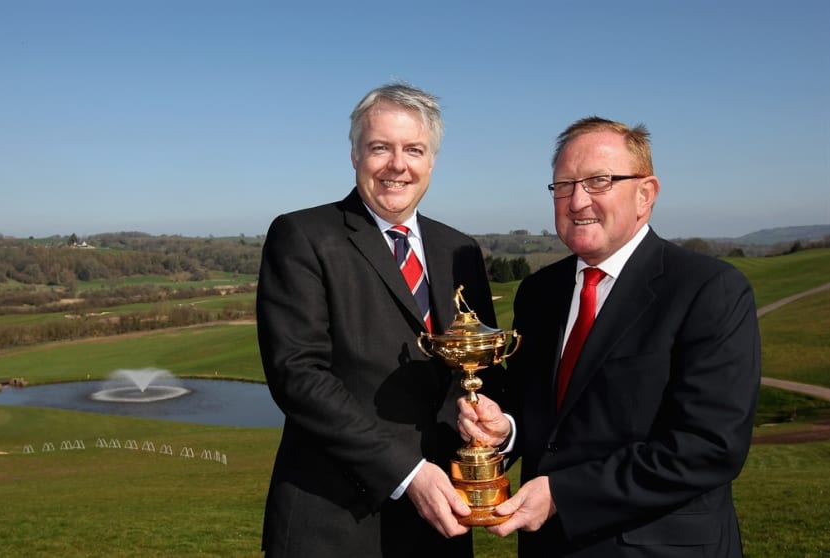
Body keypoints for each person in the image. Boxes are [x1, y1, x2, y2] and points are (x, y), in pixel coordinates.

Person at [459, 116, 761, 557]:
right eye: (563, 184)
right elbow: (542, 413)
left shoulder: (708, 289)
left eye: (599, 181)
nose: (577, 200)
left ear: (646, 193)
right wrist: (504, 429)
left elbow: (709, 446)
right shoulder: (539, 293)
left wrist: (563, 493)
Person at [256, 83, 499, 557]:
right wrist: (408, 474)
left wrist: (498, 426)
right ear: (354, 155)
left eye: (414, 149)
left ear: (431, 161)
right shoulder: (303, 236)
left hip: (443, 521)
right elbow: (298, 375)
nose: (397, 165)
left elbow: (484, 372)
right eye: (379, 148)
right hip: (334, 523)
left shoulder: (461, 249)